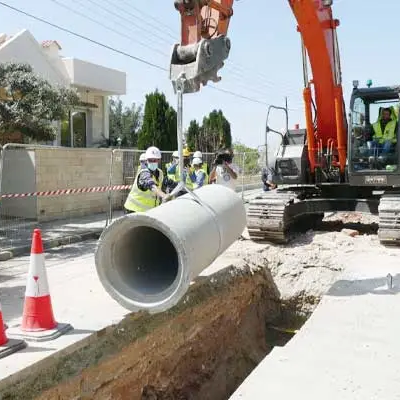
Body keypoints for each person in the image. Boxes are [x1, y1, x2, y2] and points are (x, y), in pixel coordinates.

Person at [124, 146, 168, 213]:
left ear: (159, 160)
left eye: (155, 160)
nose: (153, 162)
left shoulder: (160, 173)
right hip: (134, 209)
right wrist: (163, 195)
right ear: (146, 160)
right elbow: (150, 185)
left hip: (149, 211)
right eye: (150, 160)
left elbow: (164, 184)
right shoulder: (144, 172)